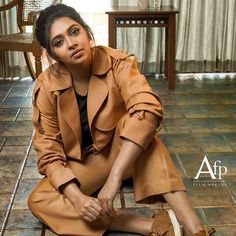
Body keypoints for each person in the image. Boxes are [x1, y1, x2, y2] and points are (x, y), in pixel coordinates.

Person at [28, 3, 213, 236]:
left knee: (142, 126)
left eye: (74, 32)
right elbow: (49, 151)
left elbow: (148, 108)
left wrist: (114, 179)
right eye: (59, 42)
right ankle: (153, 226)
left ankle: (197, 230)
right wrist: (77, 199)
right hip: (86, 164)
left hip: (122, 154)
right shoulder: (46, 86)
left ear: (86, 31)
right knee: (39, 199)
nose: (72, 43)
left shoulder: (117, 62)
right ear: (52, 54)